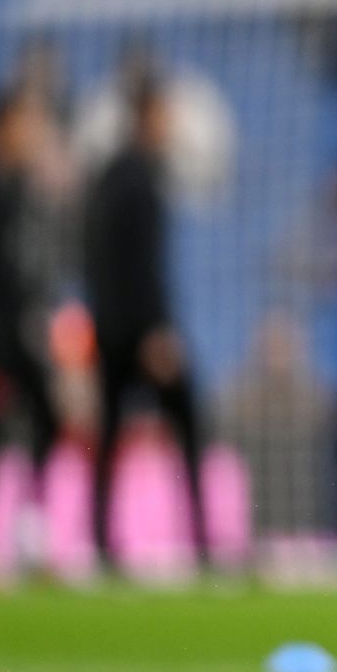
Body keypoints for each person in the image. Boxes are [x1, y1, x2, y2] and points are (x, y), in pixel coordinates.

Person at [83, 74, 210, 573]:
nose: (170, 124)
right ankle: (203, 541)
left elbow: (99, 262)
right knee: (189, 424)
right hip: (141, 331)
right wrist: (156, 331)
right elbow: (144, 267)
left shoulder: (109, 177)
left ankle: (100, 542)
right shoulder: (142, 182)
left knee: (110, 433)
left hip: (110, 328)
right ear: (147, 117)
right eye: (164, 114)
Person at [0, 88, 61, 514]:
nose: (32, 133)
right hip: (0, 332)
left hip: (16, 329)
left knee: (44, 420)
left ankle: (32, 526)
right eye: (25, 123)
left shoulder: (22, 189)